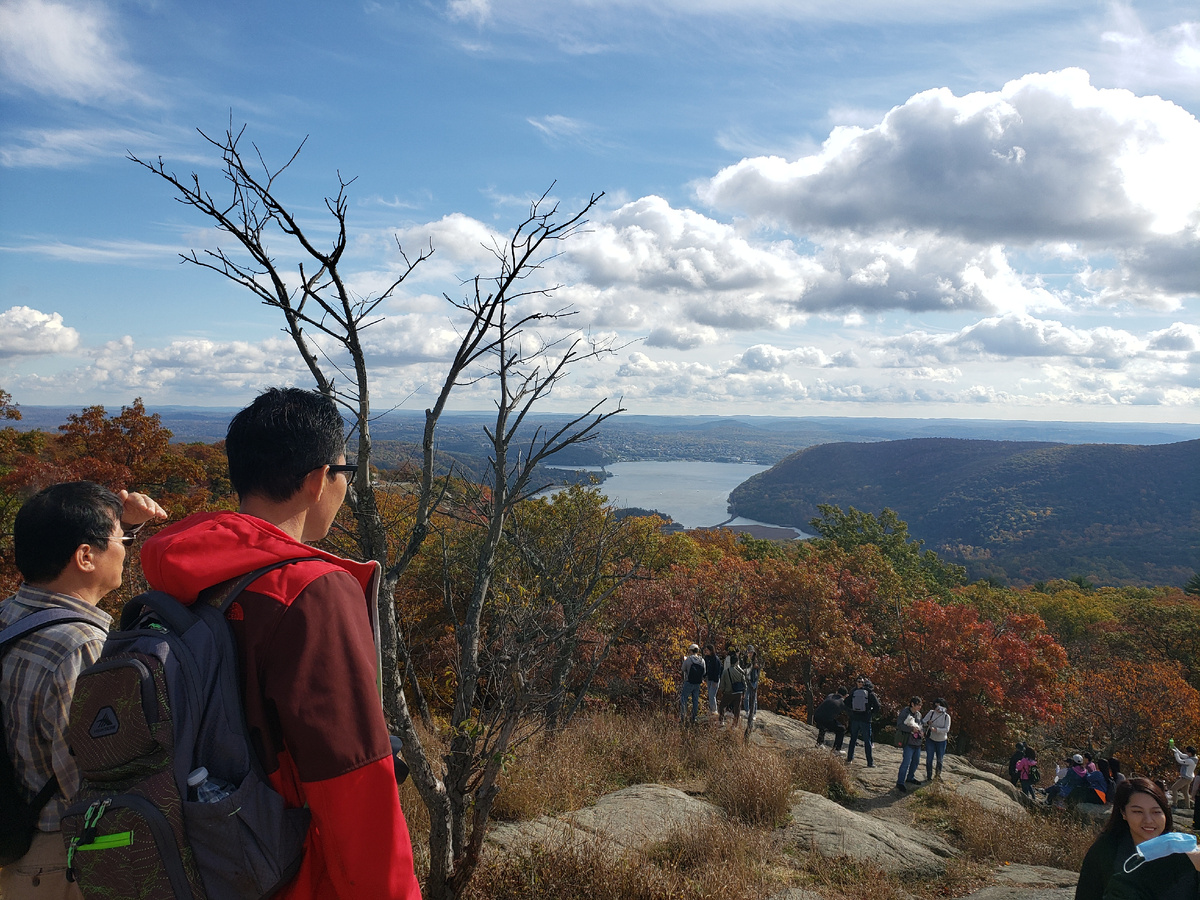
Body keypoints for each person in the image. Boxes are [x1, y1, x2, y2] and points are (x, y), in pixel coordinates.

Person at [139, 388, 421, 900]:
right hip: (287, 872)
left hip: (200, 854)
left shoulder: (176, 578)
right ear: (318, 480)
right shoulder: (310, 590)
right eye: (344, 474)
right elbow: (352, 781)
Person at [1, 481, 166, 900]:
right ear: (85, 556)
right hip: (58, 857)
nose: (127, 550)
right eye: (122, 539)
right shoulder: (79, 646)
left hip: (14, 844)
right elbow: (93, 776)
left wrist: (117, 521)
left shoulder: (11, 615)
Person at [1074, 777, 1200, 900]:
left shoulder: (1182, 848)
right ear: (1123, 813)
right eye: (1138, 812)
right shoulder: (1105, 850)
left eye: (1156, 812)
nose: (1148, 820)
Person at [845, 675, 880, 767]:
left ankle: (849, 759)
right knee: (867, 741)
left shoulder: (853, 692)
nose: (860, 683)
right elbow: (877, 706)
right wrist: (870, 712)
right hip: (865, 719)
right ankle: (870, 762)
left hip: (855, 719)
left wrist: (852, 712)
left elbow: (846, 703)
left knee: (853, 739)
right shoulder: (870, 692)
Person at [895, 696, 923, 792]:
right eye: (918, 705)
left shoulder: (919, 715)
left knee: (915, 761)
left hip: (917, 742)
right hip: (908, 741)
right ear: (912, 704)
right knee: (906, 762)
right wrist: (911, 729)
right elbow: (899, 725)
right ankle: (900, 782)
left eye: (920, 705)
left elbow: (920, 725)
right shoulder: (905, 712)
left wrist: (921, 731)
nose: (919, 707)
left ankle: (910, 777)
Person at [921, 697, 951, 780]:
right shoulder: (931, 713)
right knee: (929, 758)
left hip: (941, 740)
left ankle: (937, 776)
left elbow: (947, 729)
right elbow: (923, 721)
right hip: (931, 739)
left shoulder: (946, 717)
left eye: (939, 707)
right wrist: (928, 723)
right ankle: (929, 776)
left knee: (939, 759)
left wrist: (937, 730)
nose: (937, 709)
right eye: (936, 706)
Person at [814, 687, 848, 752]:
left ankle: (819, 743)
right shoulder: (842, 702)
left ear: (837, 692)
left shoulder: (830, 695)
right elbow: (848, 711)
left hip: (817, 716)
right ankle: (836, 749)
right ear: (845, 695)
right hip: (825, 719)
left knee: (823, 725)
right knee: (841, 729)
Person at [717, 651, 746, 728]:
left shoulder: (726, 671)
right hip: (738, 692)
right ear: (737, 662)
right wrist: (744, 692)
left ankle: (721, 721)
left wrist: (722, 690)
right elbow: (744, 683)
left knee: (722, 706)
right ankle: (734, 725)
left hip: (729, 692)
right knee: (737, 709)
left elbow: (722, 684)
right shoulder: (740, 672)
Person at [680, 643, 706, 724]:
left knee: (684, 698)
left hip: (689, 681)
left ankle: (683, 717)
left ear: (691, 651)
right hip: (697, 683)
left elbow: (683, 669)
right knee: (695, 700)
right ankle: (694, 717)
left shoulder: (689, 659)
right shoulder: (702, 660)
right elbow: (704, 672)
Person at [1168, 741, 1197, 811]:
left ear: (1190, 753)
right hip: (1190, 778)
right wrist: (1174, 748)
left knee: (1174, 788)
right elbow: (1181, 754)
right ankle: (1188, 806)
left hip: (1186, 778)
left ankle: (1174, 804)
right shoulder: (1193, 757)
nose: (1186, 753)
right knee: (1185, 792)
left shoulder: (1190, 761)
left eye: (1187, 752)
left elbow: (1179, 760)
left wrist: (1175, 753)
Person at [743, 649, 761, 736]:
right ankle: (747, 711)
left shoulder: (755, 661)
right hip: (747, 680)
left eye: (751, 652)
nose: (749, 654)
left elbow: (758, 671)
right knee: (746, 697)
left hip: (753, 681)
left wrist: (755, 666)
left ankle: (753, 713)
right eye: (748, 652)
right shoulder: (745, 660)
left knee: (754, 698)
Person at [703, 643, 721, 721]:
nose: (706, 651)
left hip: (714, 680)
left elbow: (718, 670)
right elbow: (706, 668)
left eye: (707, 650)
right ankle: (711, 710)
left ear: (711, 650)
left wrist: (716, 681)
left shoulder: (716, 659)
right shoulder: (707, 658)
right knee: (709, 694)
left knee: (712, 694)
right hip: (709, 679)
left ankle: (714, 710)